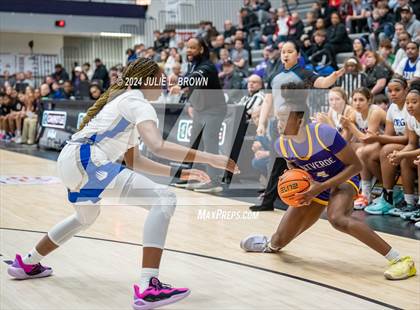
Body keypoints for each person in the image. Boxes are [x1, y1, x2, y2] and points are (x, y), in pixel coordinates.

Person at [7, 57, 238, 310]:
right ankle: (149, 285)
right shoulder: (137, 102)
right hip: (86, 159)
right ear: (147, 79)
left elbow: (135, 161)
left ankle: (28, 262)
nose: (163, 83)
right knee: (164, 199)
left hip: (73, 161)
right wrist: (210, 158)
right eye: (159, 78)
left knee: (85, 218)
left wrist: (180, 172)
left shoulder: (125, 102)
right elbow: (157, 145)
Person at [240, 81, 416, 281]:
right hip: (314, 185)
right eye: (277, 119)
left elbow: (356, 166)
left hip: (343, 180)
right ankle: (268, 243)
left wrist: (320, 187)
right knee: (278, 242)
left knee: (337, 218)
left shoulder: (323, 133)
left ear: (299, 119)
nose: (278, 124)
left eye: (283, 119)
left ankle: (401, 260)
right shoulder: (281, 144)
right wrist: (297, 186)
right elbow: (294, 168)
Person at [251, 41, 345, 212]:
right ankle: (270, 201)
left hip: (299, 124)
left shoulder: (304, 73)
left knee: (304, 161)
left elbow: (322, 83)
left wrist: (333, 77)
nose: (285, 55)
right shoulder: (274, 76)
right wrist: (262, 123)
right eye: (283, 52)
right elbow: (268, 100)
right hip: (278, 124)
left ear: (298, 55)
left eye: (290, 51)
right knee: (276, 163)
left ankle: (316, 193)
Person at [170, 37, 228, 193]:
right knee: (194, 145)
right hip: (199, 110)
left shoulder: (207, 66)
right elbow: (195, 88)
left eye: (193, 47)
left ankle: (215, 181)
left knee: (209, 143)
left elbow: (196, 78)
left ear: (201, 50)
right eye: (187, 47)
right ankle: (193, 177)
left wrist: (180, 84)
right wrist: (191, 104)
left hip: (214, 110)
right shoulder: (192, 65)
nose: (189, 50)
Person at [362, 78, 410, 215]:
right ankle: (391, 192)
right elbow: (388, 135)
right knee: (367, 152)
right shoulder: (392, 108)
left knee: (385, 150)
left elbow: (408, 138)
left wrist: (378, 137)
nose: (393, 94)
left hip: (411, 144)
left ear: (406, 90)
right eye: (390, 91)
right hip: (399, 143)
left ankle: (388, 198)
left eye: (397, 90)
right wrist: (375, 137)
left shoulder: (411, 105)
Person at [340, 88, 387, 209]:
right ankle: (347, 185)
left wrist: (350, 125)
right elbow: (344, 140)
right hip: (372, 146)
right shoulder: (353, 113)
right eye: (354, 100)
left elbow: (368, 139)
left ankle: (366, 193)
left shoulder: (375, 112)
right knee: (346, 148)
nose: (357, 103)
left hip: (387, 142)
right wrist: (345, 127)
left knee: (360, 152)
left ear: (369, 100)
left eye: (361, 100)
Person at [387, 83, 420, 219]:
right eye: (407, 102)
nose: (410, 106)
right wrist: (399, 155)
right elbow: (412, 144)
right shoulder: (411, 119)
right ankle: (410, 203)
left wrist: (402, 153)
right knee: (406, 160)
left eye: (414, 102)